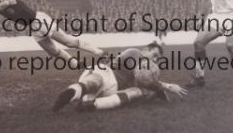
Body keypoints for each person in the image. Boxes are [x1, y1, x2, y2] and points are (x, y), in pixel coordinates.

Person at [52, 42, 187, 112]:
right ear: (145, 50)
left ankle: (90, 105)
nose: (155, 60)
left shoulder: (143, 67)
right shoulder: (135, 53)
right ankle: (71, 93)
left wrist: (157, 91)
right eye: (155, 55)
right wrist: (166, 86)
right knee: (95, 81)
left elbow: (144, 86)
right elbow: (142, 77)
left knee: (136, 92)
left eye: (158, 59)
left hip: (111, 89)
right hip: (105, 73)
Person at [0, 0, 104, 67]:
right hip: (33, 28)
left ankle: (99, 52)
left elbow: (3, 6)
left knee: (68, 42)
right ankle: (77, 64)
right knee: (53, 52)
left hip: (39, 20)